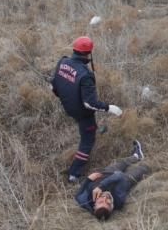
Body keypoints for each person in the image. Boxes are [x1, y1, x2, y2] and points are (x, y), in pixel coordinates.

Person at [50, 36, 123, 183]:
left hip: (68, 106)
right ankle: (73, 175)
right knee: (88, 141)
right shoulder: (85, 75)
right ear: (88, 53)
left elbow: (53, 85)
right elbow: (89, 104)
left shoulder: (62, 61)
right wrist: (109, 107)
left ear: (74, 49)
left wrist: (66, 98)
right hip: (82, 113)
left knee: (89, 130)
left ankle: (93, 130)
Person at [75, 140, 149, 220]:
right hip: (123, 180)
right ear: (111, 208)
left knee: (122, 163)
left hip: (106, 174)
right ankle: (139, 160)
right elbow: (119, 176)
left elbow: (77, 196)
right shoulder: (118, 200)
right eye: (107, 203)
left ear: (94, 206)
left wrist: (88, 179)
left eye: (100, 201)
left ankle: (136, 156)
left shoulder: (87, 202)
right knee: (144, 167)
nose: (104, 198)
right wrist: (100, 187)